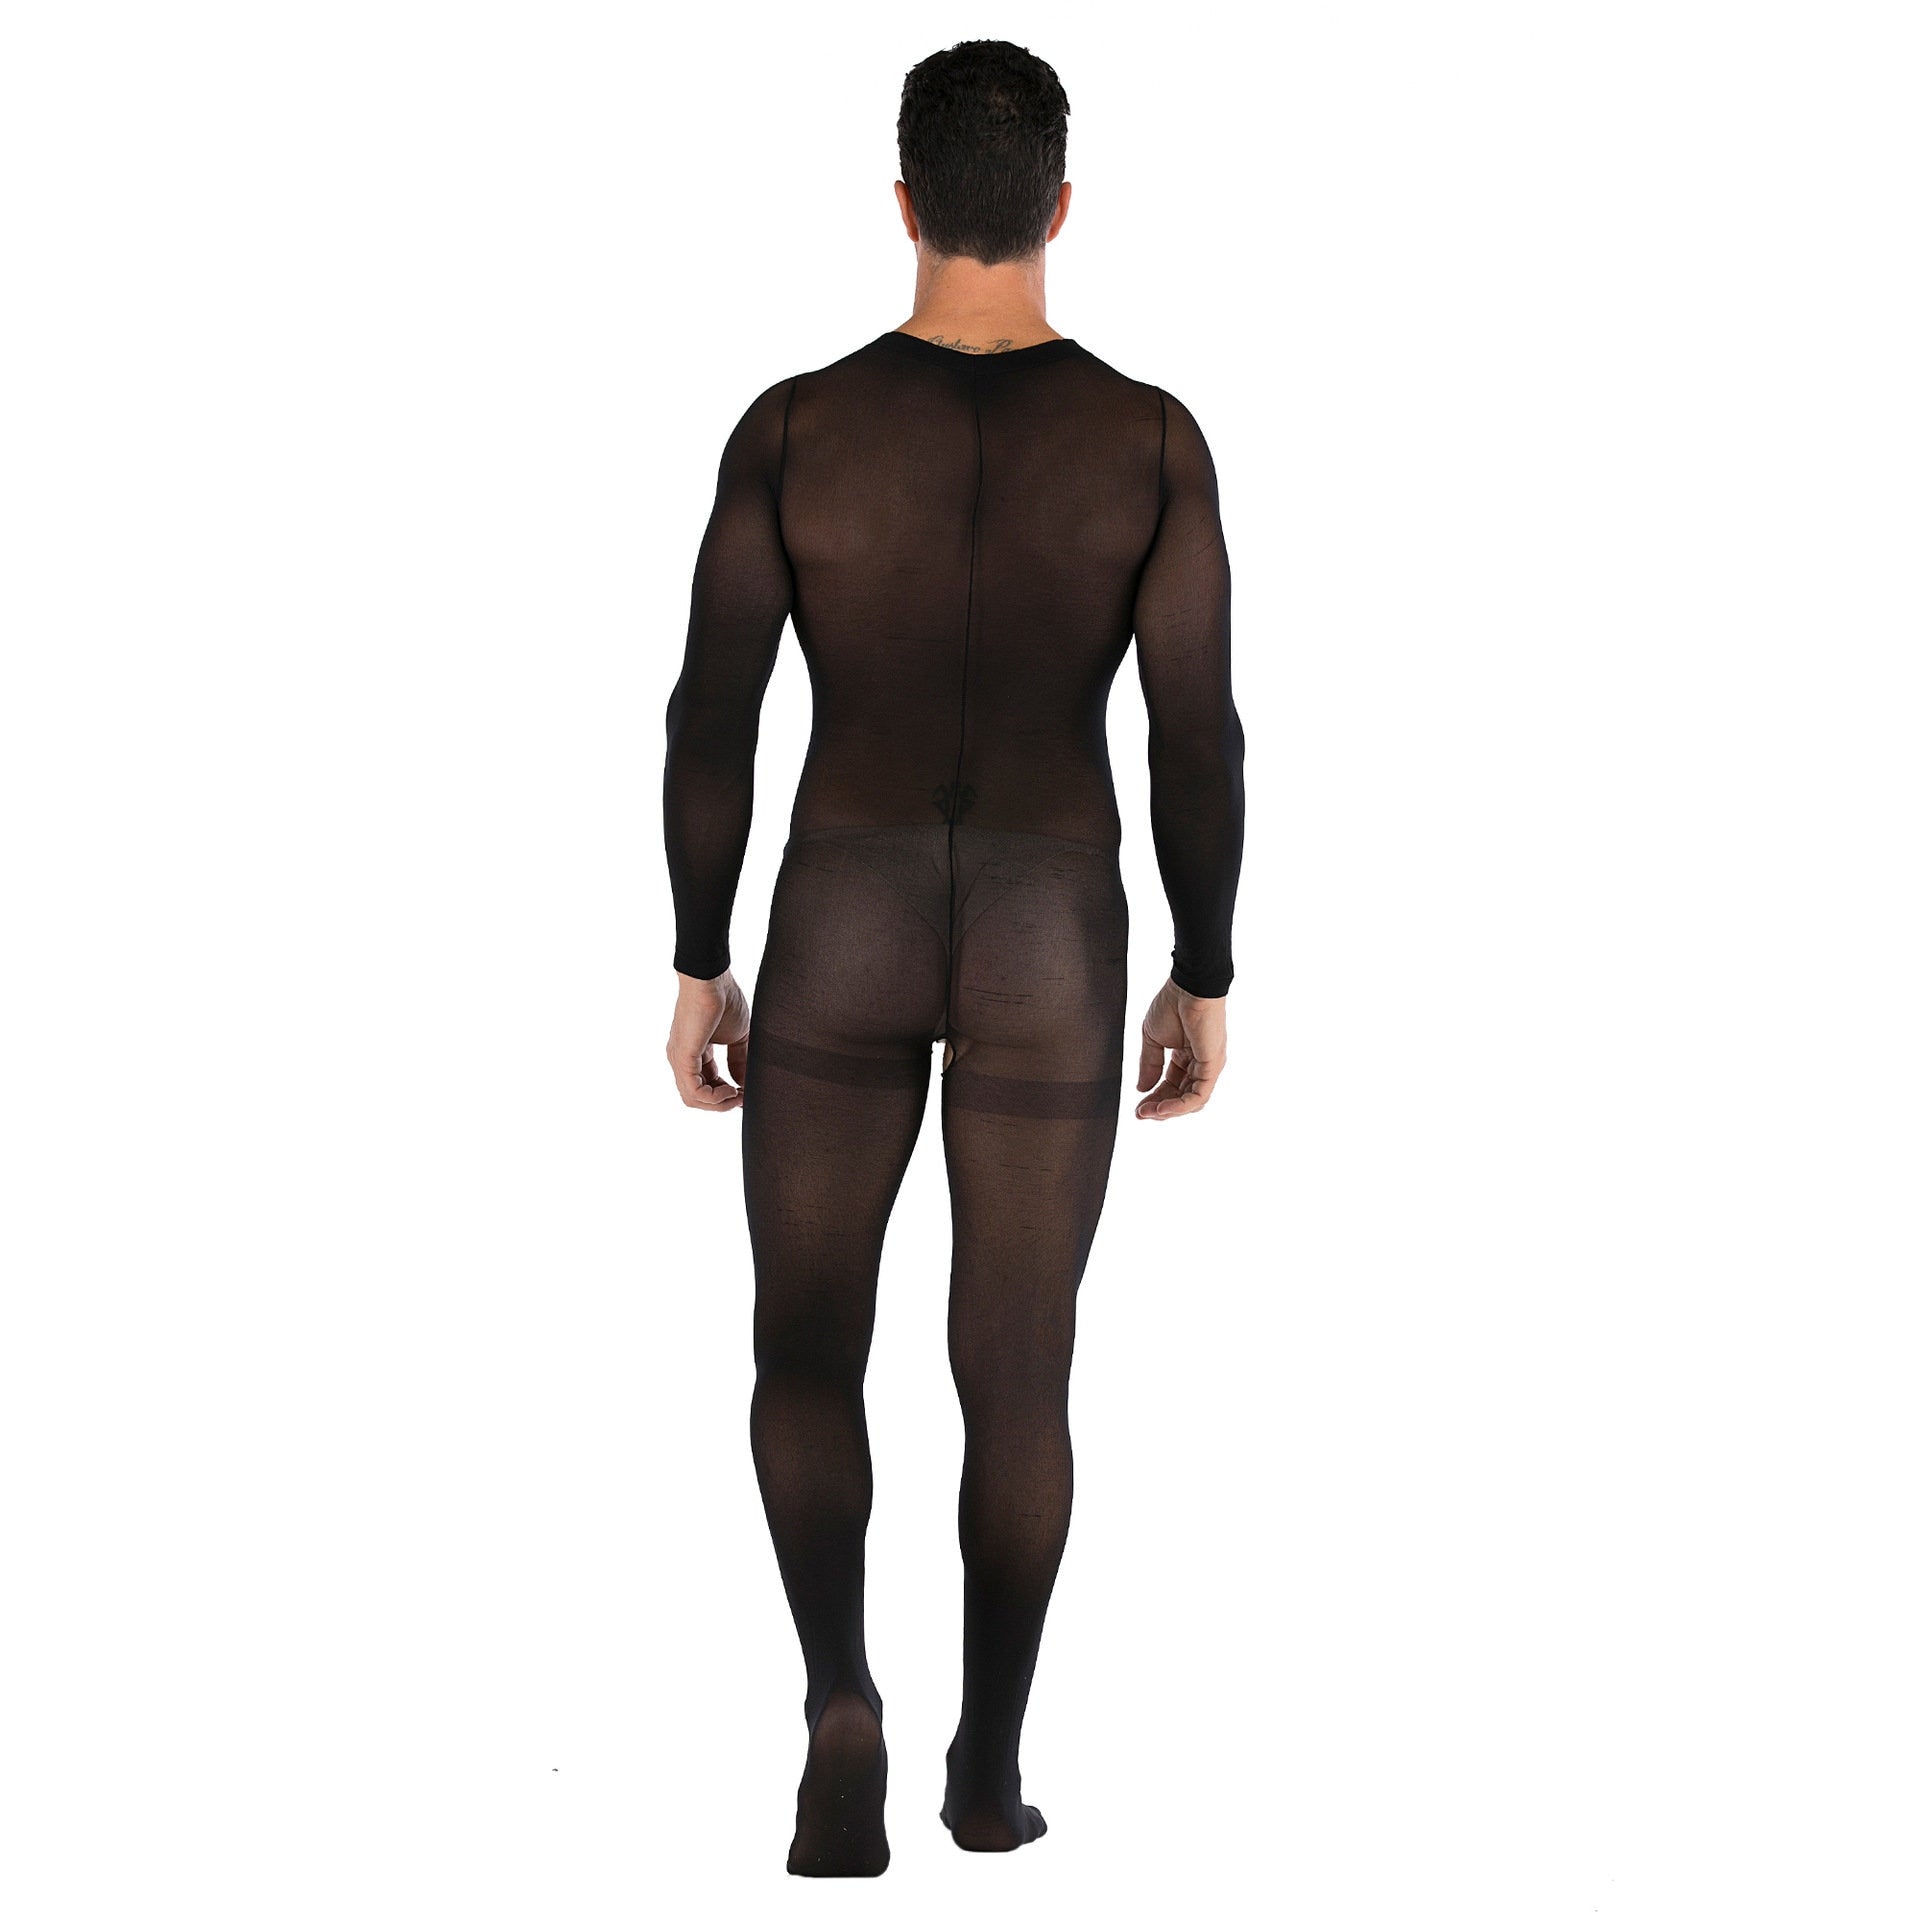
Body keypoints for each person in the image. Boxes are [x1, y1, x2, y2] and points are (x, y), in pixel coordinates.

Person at [662, 39, 1245, 1876]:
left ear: (905, 202)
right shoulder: (1151, 443)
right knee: (1019, 1369)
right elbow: (1198, 736)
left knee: (805, 1340)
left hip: (841, 907)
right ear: (1060, 207)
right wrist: (1206, 967)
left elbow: (710, 714)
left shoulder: (795, 432)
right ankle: (987, 1766)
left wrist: (699, 954)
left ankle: (841, 1694)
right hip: (1048, 927)